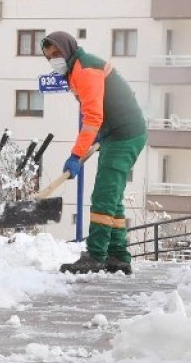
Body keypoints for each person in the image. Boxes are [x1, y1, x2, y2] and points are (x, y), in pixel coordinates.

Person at [40, 32, 147, 274]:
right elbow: (99, 109)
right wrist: (100, 133)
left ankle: (96, 254)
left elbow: (92, 118)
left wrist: (76, 155)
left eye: (56, 54)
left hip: (124, 135)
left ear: (67, 49)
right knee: (112, 196)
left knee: (103, 195)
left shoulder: (85, 70)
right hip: (117, 133)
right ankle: (118, 254)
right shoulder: (77, 67)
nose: (53, 60)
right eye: (49, 57)